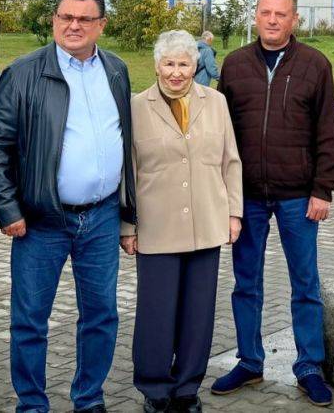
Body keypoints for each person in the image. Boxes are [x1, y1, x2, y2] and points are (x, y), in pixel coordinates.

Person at [0, 0, 134, 413]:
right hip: (40, 220)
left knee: (102, 316)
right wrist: (8, 209)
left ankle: (89, 398)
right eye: (66, 17)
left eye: (85, 19)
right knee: (30, 321)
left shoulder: (117, 70)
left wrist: (129, 215)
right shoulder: (24, 72)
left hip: (102, 217)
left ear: (101, 26)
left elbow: (128, 143)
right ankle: (32, 403)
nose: (74, 25)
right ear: (53, 21)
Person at [212, 0, 334, 407]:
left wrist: (323, 188)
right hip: (246, 196)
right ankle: (250, 361)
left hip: (297, 196)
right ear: (256, 16)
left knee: (305, 283)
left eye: (281, 14)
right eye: (266, 12)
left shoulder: (315, 65)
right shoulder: (233, 65)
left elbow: (328, 130)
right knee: (245, 283)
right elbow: (221, 134)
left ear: (294, 19)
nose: (272, 20)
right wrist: (223, 193)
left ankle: (309, 367)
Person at [122, 30, 242, 413]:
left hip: (207, 222)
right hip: (156, 228)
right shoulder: (136, 106)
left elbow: (231, 161)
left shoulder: (216, 102)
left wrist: (233, 213)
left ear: (196, 65)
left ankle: (188, 386)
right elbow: (129, 171)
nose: (177, 73)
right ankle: (155, 390)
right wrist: (128, 226)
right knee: (157, 313)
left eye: (184, 64)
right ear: (157, 65)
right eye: (169, 63)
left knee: (199, 313)